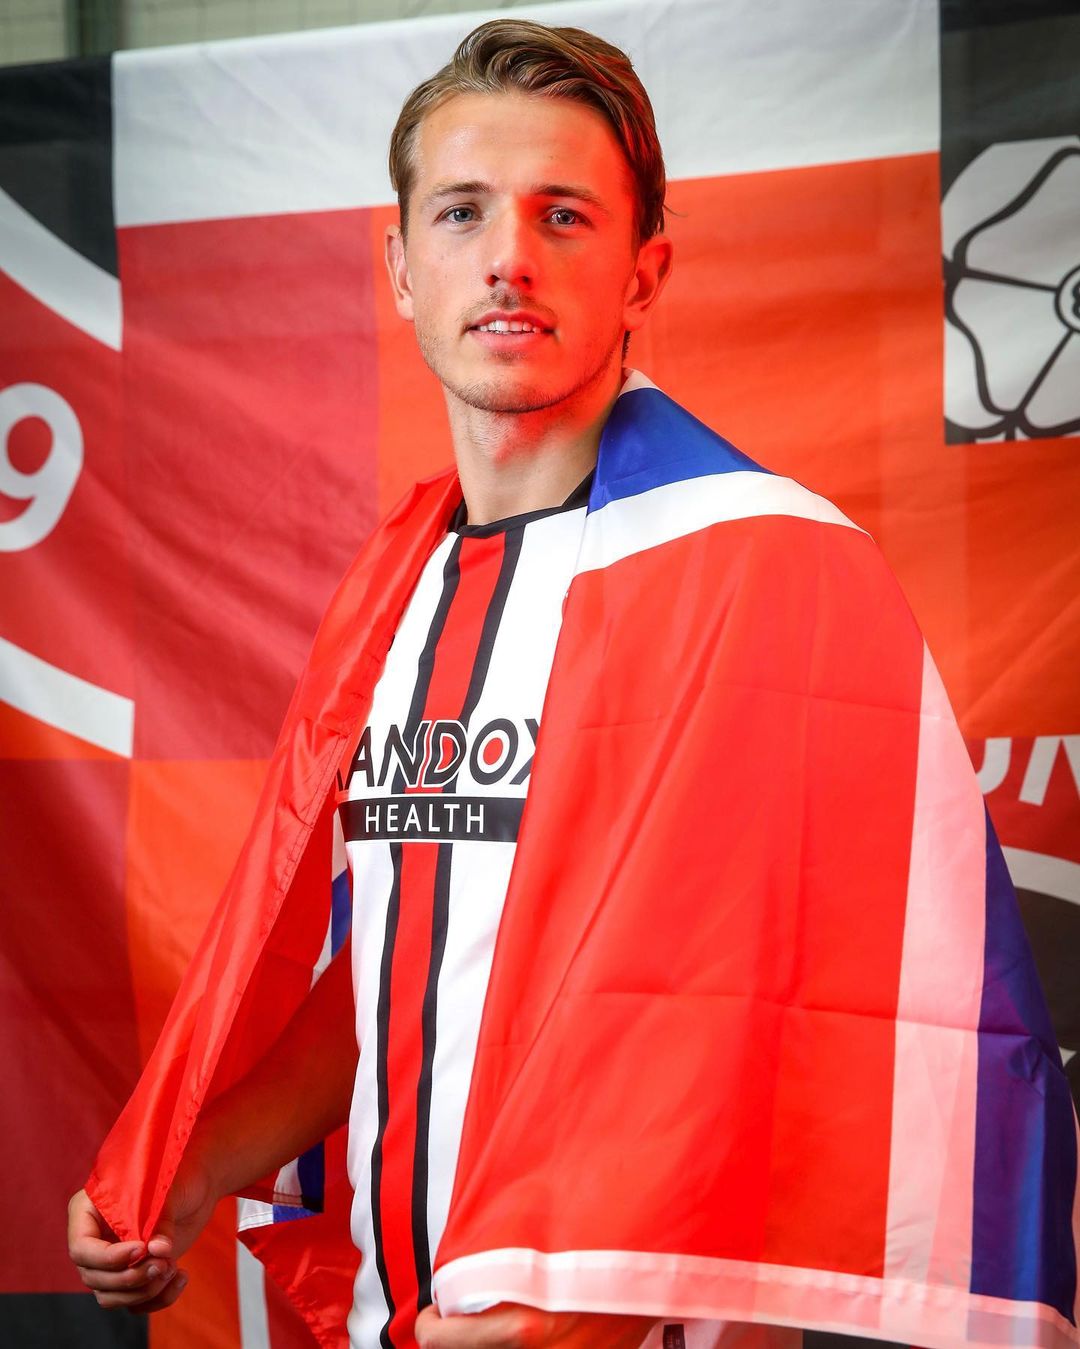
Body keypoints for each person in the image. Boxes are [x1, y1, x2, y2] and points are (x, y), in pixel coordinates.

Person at [68, 19, 1079, 1349]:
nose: (509, 257)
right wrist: (197, 1160)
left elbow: (802, 1005)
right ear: (400, 267)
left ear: (644, 269)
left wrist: (608, 1290)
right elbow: (405, 968)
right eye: (462, 212)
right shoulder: (399, 587)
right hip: (399, 1320)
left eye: (563, 216)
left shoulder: (766, 563)